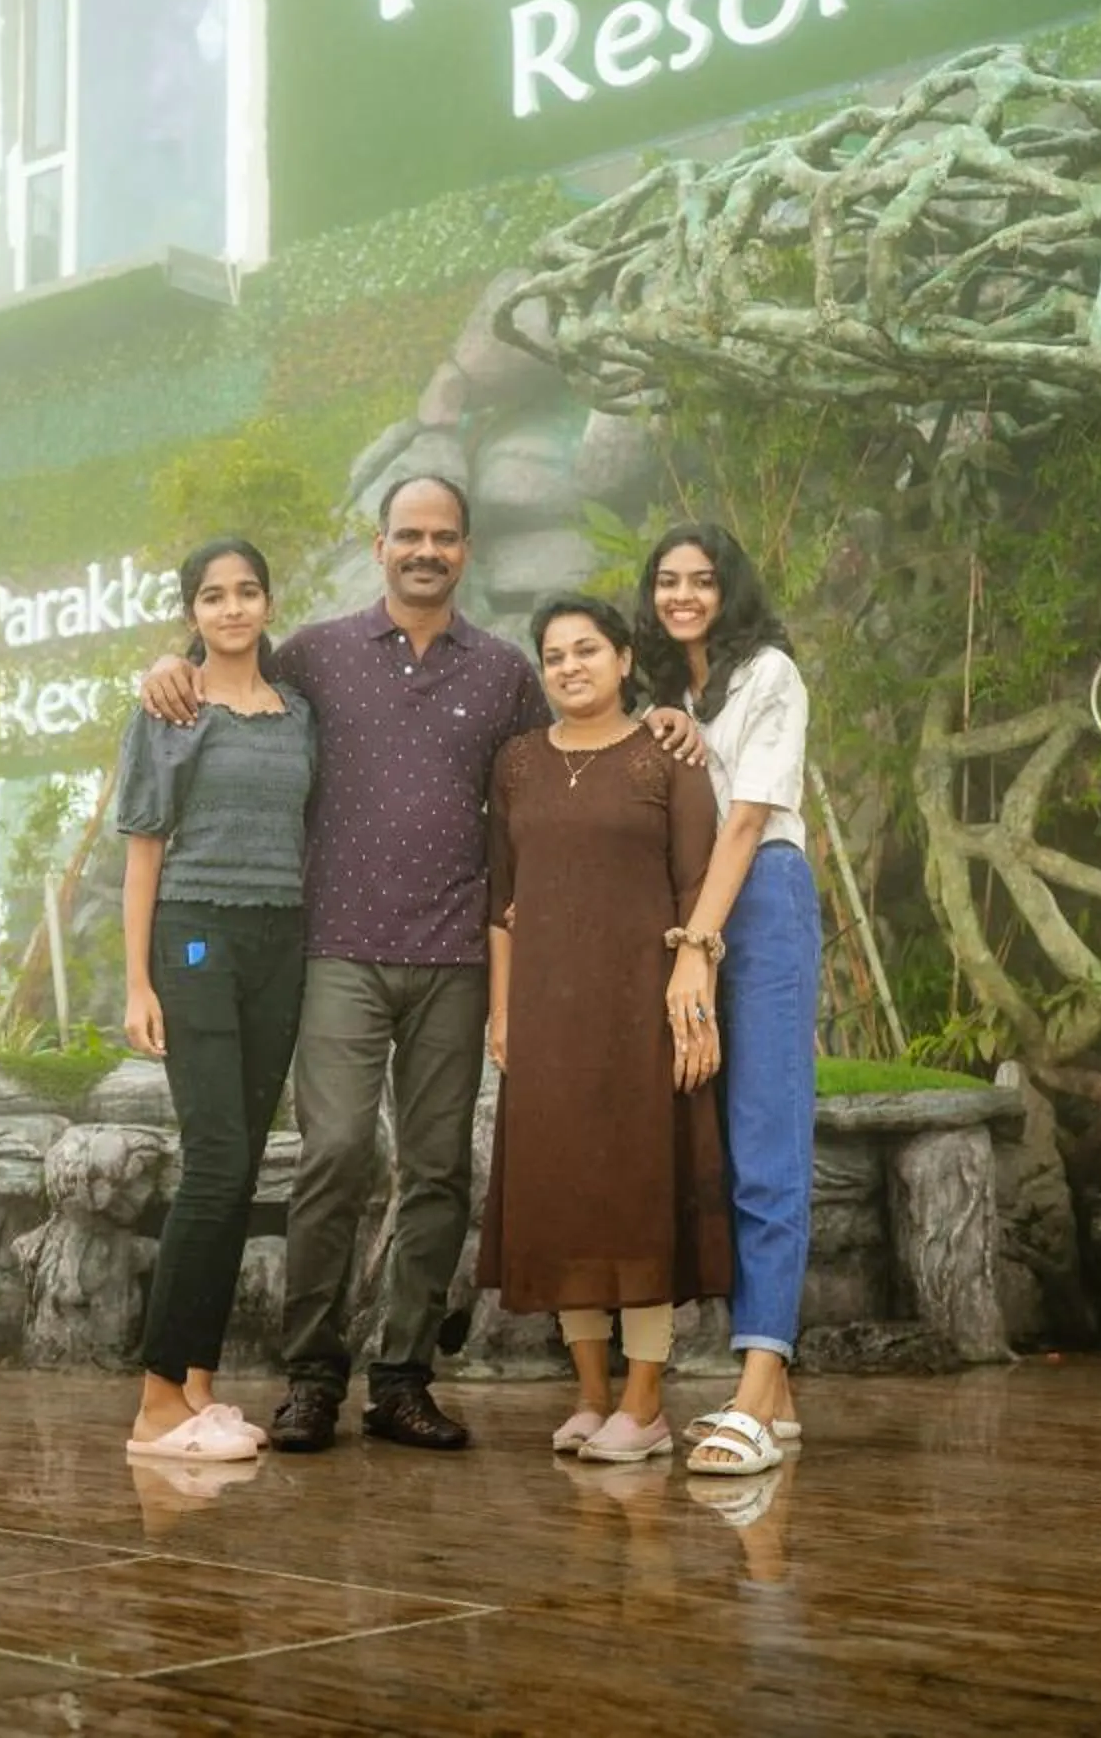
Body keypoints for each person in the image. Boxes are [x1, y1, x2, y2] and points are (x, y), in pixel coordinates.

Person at [140, 476, 548, 1453]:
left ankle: (402, 1378)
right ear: (378, 547)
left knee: (440, 1166)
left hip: (454, 954)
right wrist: (162, 663)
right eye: (408, 534)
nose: (426, 550)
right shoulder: (318, 653)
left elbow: (557, 765)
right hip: (335, 951)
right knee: (332, 1158)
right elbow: (228, 670)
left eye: (444, 537)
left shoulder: (503, 672)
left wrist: (661, 728)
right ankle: (313, 1376)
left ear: (466, 550)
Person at [482, 595, 732, 1463]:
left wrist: (690, 1001)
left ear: (626, 659)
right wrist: (504, 1010)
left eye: (587, 650)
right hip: (546, 1019)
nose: (569, 668)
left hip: (644, 1013)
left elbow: (700, 884)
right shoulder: (516, 763)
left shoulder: (667, 756)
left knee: (636, 1200)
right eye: (553, 656)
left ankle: (645, 1402)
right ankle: (591, 1396)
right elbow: (502, 906)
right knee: (562, 1204)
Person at [114, 539, 316, 1463]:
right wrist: (137, 981)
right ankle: (158, 1406)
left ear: (269, 603)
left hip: (280, 942)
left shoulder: (299, 712)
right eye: (211, 597)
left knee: (239, 1168)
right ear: (190, 613)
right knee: (216, 1158)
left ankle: (198, 1389)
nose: (231, 609)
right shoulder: (170, 706)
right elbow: (144, 849)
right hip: (196, 932)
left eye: (246, 593)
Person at [637, 523, 823, 1480]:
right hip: (696, 914)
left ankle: (755, 1385)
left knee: (766, 1142)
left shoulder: (771, 676)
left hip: (762, 904)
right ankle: (776, 1398)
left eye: (701, 581)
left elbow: (747, 818)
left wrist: (696, 952)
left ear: (729, 590)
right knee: (713, 1146)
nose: (683, 596)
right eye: (667, 581)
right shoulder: (669, 696)